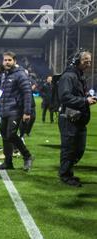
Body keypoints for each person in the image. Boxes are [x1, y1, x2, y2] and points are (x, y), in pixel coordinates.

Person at [58, 50, 96, 187]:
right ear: (76, 61)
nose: (89, 63)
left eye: (90, 61)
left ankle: (68, 171)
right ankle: (65, 175)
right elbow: (65, 97)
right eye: (86, 60)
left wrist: (86, 100)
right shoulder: (68, 76)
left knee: (79, 149)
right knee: (69, 148)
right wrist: (85, 101)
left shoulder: (79, 76)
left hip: (78, 119)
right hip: (69, 119)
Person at [0, 52, 34, 171]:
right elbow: (3, 91)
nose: (7, 62)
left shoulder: (20, 75)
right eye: (5, 60)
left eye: (9, 60)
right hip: (4, 110)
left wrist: (27, 112)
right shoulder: (4, 75)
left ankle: (27, 156)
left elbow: (27, 93)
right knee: (5, 136)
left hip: (15, 110)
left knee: (11, 134)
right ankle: (8, 162)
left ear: (14, 61)